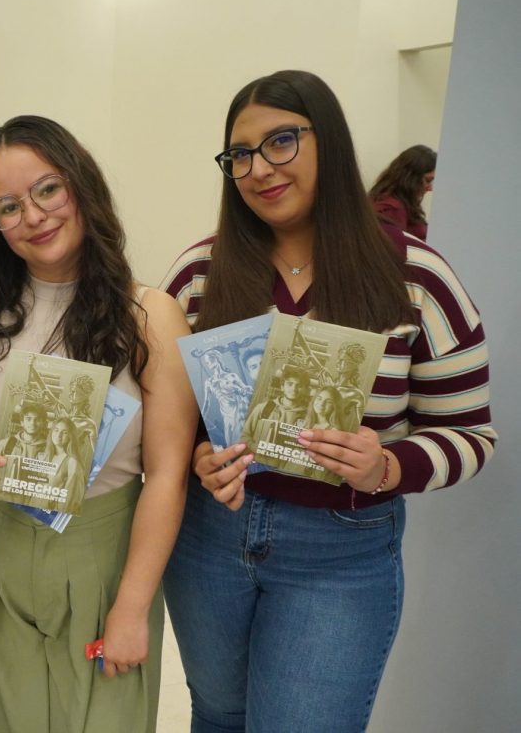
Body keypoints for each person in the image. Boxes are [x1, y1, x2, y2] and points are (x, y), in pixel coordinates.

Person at [160, 69, 496, 732]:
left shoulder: (416, 276)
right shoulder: (200, 274)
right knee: (218, 717)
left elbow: (469, 434)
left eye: (281, 141)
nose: (259, 168)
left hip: (340, 547)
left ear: (329, 141)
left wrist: (387, 466)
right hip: (209, 538)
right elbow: (169, 418)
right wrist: (199, 454)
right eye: (240, 155)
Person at [0, 115, 197, 733]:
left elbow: (167, 476)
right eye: (8, 206)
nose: (33, 216)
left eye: (48, 189)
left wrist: (132, 608)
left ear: (81, 185)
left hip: (103, 562)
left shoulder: (150, 316)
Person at [368, 144, 436, 240]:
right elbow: (395, 246)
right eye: (428, 180)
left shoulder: (402, 203)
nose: (430, 188)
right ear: (410, 178)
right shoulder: (391, 209)